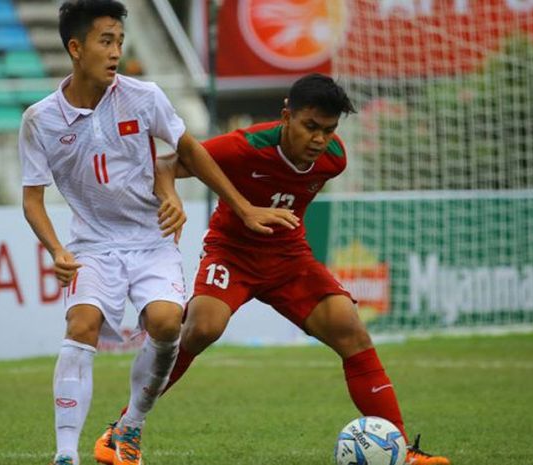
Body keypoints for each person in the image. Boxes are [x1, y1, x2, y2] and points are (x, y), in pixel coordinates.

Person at [94, 74, 451, 465]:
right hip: (232, 253)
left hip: (288, 258)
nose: (319, 139)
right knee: (201, 329)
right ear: (287, 116)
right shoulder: (242, 147)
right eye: (310, 127)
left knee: (353, 332)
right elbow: (166, 165)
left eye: (328, 131)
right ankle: (123, 429)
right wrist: (173, 199)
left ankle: (400, 449)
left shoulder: (334, 159)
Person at [18, 2, 300, 465]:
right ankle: (65, 455)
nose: (116, 52)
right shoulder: (39, 120)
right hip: (92, 246)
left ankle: (129, 427)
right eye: (105, 41)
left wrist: (243, 207)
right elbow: (32, 200)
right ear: (75, 47)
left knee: (169, 323)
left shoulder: (144, 97)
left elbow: (191, 151)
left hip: (151, 240)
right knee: (81, 325)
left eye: (120, 42)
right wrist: (55, 249)